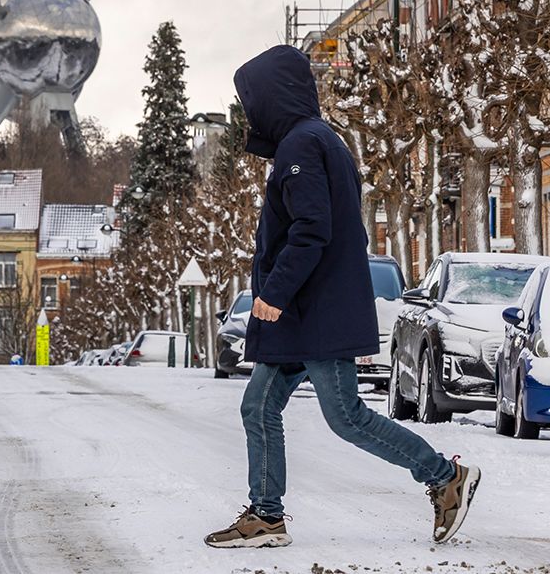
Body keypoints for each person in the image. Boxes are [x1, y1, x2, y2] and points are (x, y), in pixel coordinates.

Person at [204, 45, 480, 550]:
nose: (250, 113)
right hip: (306, 313)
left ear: (272, 97)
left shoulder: (302, 146)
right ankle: (266, 515)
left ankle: (443, 476)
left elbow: (311, 229)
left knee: (345, 415)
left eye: (252, 101)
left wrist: (275, 293)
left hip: (312, 313)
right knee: (259, 406)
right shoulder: (314, 140)